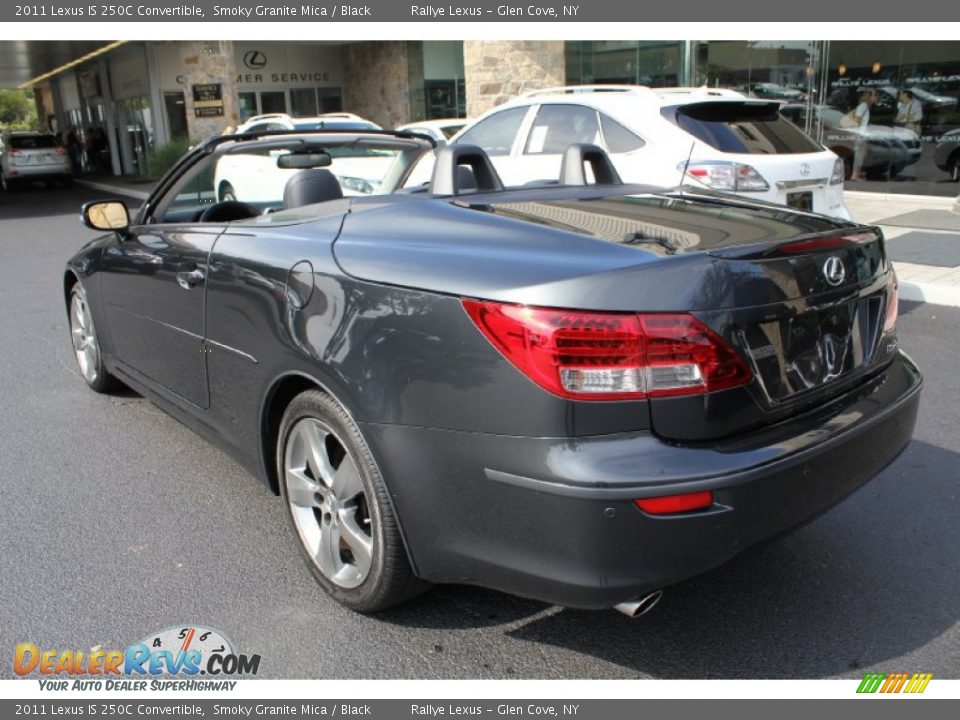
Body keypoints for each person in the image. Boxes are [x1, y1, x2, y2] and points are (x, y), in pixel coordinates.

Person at [850, 90, 876, 181]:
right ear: (869, 97)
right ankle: (854, 175)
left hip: (861, 134)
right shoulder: (863, 106)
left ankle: (856, 174)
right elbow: (857, 119)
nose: (876, 98)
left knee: (861, 155)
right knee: (859, 155)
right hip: (860, 134)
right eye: (875, 96)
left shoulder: (865, 106)